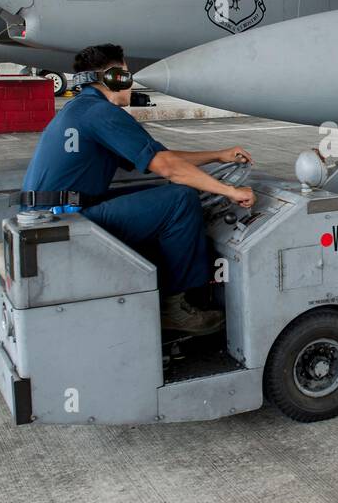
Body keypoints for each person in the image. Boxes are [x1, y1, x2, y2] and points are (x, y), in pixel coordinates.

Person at [20, 44, 254, 334]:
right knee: (180, 198)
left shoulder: (83, 109)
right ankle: (174, 308)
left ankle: (161, 284)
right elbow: (168, 167)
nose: (130, 83)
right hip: (64, 223)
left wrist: (218, 155)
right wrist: (229, 191)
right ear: (113, 78)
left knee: (158, 190)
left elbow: (159, 157)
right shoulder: (101, 113)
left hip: (53, 216)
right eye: (126, 75)